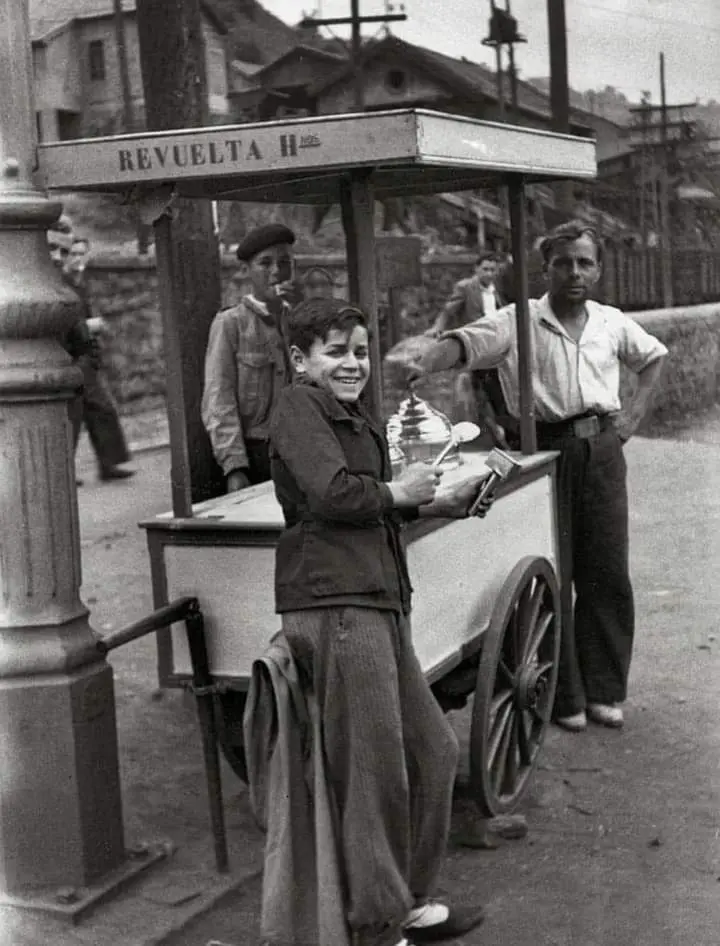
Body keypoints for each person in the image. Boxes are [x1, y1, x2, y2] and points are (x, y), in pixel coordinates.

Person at [264, 296, 490, 946]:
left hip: (375, 597)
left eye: (360, 351)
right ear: (300, 358)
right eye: (336, 351)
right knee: (374, 769)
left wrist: (436, 502)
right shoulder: (297, 405)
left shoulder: (351, 417)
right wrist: (399, 492)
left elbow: (367, 503)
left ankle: (406, 900)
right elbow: (331, 494)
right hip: (335, 602)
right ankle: (376, 923)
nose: (352, 363)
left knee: (433, 751)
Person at [389, 220, 668, 732]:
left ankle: (606, 690)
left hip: (603, 450)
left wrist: (628, 422)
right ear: (547, 270)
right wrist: (424, 363)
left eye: (585, 262)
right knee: (550, 573)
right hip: (545, 453)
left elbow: (653, 360)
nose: (575, 272)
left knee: (606, 572)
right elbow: (464, 343)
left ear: (598, 269)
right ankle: (564, 697)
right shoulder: (518, 321)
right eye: (564, 262)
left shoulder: (610, 322)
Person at [201, 223, 297, 492]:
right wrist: (235, 466)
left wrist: (302, 315)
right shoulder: (231, 323)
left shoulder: (301, 319)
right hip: (257, 454)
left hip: (302, 449)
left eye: (284, 263)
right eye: (265, 264)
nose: (276, 272)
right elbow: (219, 396)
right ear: (246, 271)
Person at [47, 222, 135, 485]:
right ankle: (66, 470)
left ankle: (107, 464)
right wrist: (88, 328)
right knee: (74, 416)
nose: (63, 258)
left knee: (99, 410)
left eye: (70, 252)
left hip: (83, 358)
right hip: (70, 359)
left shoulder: (74, 283)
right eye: (64, 252)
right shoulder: (57, 282)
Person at [426, 251, 508, 446]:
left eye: (493, 270)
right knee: (476, 391)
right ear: (476, 269)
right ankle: (478, 431)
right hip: (475, 345)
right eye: (485, 269)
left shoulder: (497, 290)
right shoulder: (466, 287)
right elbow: (449, 309)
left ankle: (498, 430)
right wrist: (437, 328)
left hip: (496, 347)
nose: (489, 274)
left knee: (498, 389)